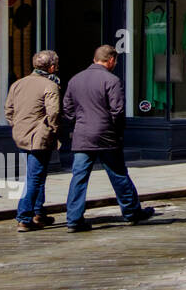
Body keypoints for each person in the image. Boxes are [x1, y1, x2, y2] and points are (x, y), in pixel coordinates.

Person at [61, 45, 155, 232]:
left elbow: (67, 109)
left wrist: (77, 124)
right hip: (106, 136)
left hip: (82, 136)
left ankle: (73, 219)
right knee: (118, 174)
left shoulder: (75, 80)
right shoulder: (111, 80)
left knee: (78, 178)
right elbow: (118, 111)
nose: (115, 64)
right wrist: (117, 131)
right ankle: (131, 213)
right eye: (115, 61)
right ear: (110, 60)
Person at [4, 49, 62, 232]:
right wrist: (52, 130)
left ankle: (38, 213)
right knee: (35, 178)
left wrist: (18, 127)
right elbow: (54, 113)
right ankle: (24, 217)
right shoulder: (50, 85)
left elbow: (8, 111)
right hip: (39, 138)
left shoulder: (18, 84)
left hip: (21, 137)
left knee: (37, 175)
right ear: (52, 67)